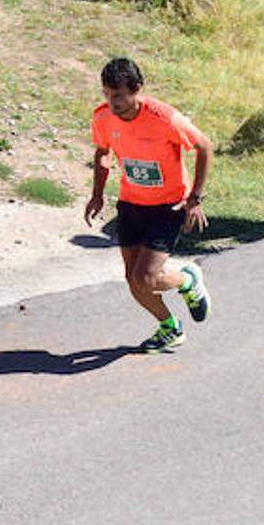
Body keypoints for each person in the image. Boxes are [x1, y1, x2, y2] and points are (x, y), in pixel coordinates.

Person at [83, 57, 213, 352]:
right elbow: (103, 152)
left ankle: (187, 281)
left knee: (147, 277)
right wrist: (97, 193)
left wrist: (195, 198)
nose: (112, 102)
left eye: (118, 94)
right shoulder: (103, 118)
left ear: (137, 89)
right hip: (131, 204)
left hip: (169, 207)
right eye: (106, 94)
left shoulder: (165, 118)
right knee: (133, 280)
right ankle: (170, 328)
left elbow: (204, 146)